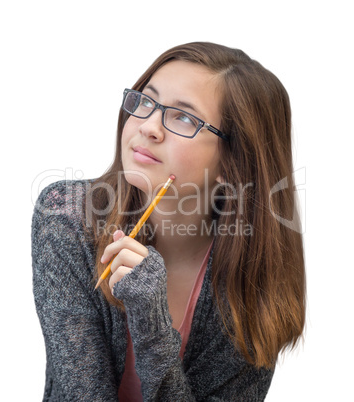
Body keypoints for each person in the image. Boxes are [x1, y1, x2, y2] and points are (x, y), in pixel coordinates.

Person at [32, 42, 306, 401]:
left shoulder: (253, 275)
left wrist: (151, 318)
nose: (148, 127)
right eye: (147, 101)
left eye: (184, 118)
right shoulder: (65, 216)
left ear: (233, 163)